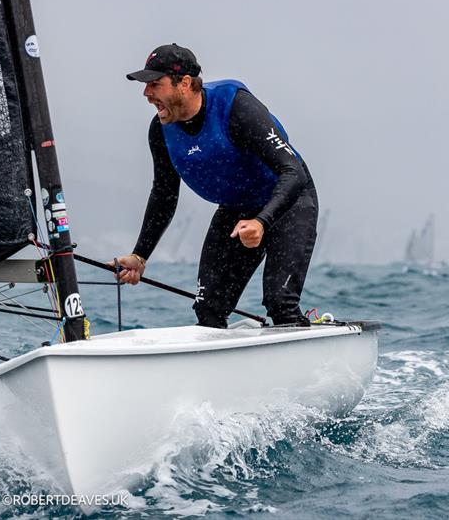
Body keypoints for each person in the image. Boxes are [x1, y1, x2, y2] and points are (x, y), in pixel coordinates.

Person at [115, 43, 318, 328]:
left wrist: (261, 222)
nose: (146, 94)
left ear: (184, 83)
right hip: (237, 211)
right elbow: (164, 195)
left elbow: (292, 170)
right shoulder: (161, 131)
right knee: (208, 308)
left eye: (154, 84)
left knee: (280, 303)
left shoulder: (235, 107)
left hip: (287, 203)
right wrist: (140, 255)